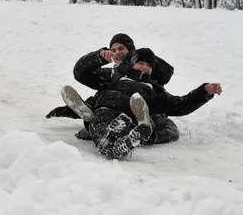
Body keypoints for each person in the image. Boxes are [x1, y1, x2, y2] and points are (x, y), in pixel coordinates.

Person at [72, 47, 222, 158]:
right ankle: (105, 141)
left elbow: (179, 105)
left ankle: (123, 144)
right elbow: (81, 73)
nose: (145, 67)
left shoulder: (154, 89)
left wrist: (203, 92)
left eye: (149, 66)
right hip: (106, 108)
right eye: (141, 63)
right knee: (101, 121)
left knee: (126, 124)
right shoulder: (113, 75)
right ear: (131, 63)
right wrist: (97, 58)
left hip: (129, 117)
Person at [46, 33, 179, 145]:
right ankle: (94, 121)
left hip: (143, 109)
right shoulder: (111, 74)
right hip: (112, 111)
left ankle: (145, 132)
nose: (117, 53)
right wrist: (97, 57)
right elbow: (83, 75)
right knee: (103, 102)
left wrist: (142, 57)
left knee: (168, 129)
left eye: (122, 49)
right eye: (113, 51)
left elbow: (166, 74)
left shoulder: (145, 69)